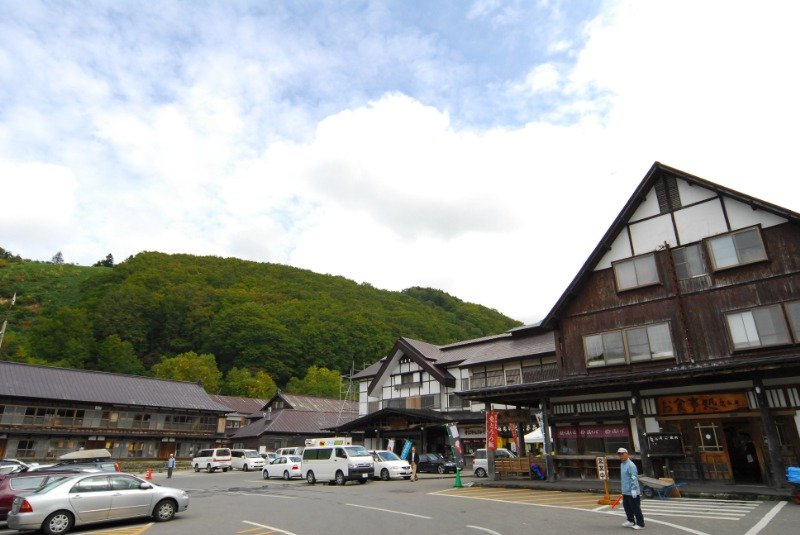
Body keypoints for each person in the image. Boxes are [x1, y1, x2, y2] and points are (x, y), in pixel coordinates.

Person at [617, 447, 644, 529]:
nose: (621, 455)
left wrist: (633, 489)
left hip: (632, 491)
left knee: (635, 508)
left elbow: (633, 477)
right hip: (625, 491)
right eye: (619, 454)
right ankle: (631, 521)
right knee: (627, 507)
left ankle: (640, 524)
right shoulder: (622, 464)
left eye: (622, 453)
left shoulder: (631, 465)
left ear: (627, 454)